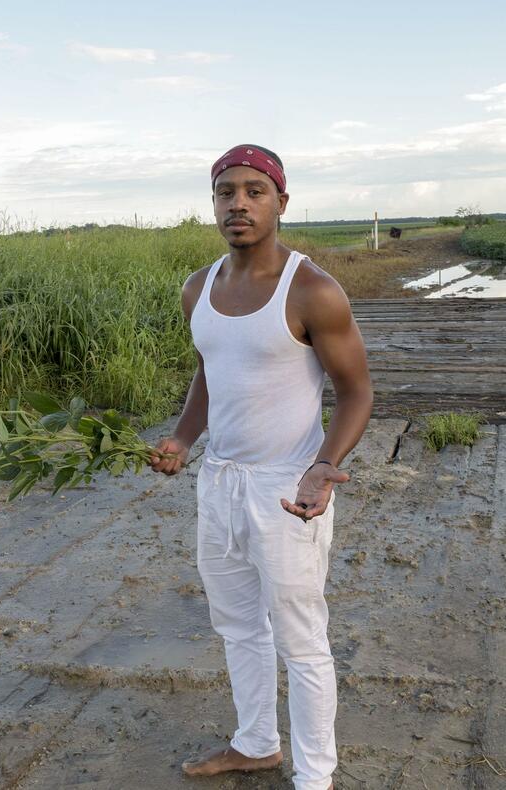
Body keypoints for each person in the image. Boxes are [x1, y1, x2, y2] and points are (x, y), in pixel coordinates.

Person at [150, 144, 373, 790]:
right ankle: (255, 743)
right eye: (226, 192)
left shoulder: (312, 291)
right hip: (219, 483)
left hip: (286, 488)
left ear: (281, 202)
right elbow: (210, 373)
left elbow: (357, 391)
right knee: (238, 625)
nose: (238, 204)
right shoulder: (199, 288)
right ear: (213, 202)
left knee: (300, 639)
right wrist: (184, 438)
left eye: (254, 191)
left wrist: (324, 464)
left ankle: (314, 775)